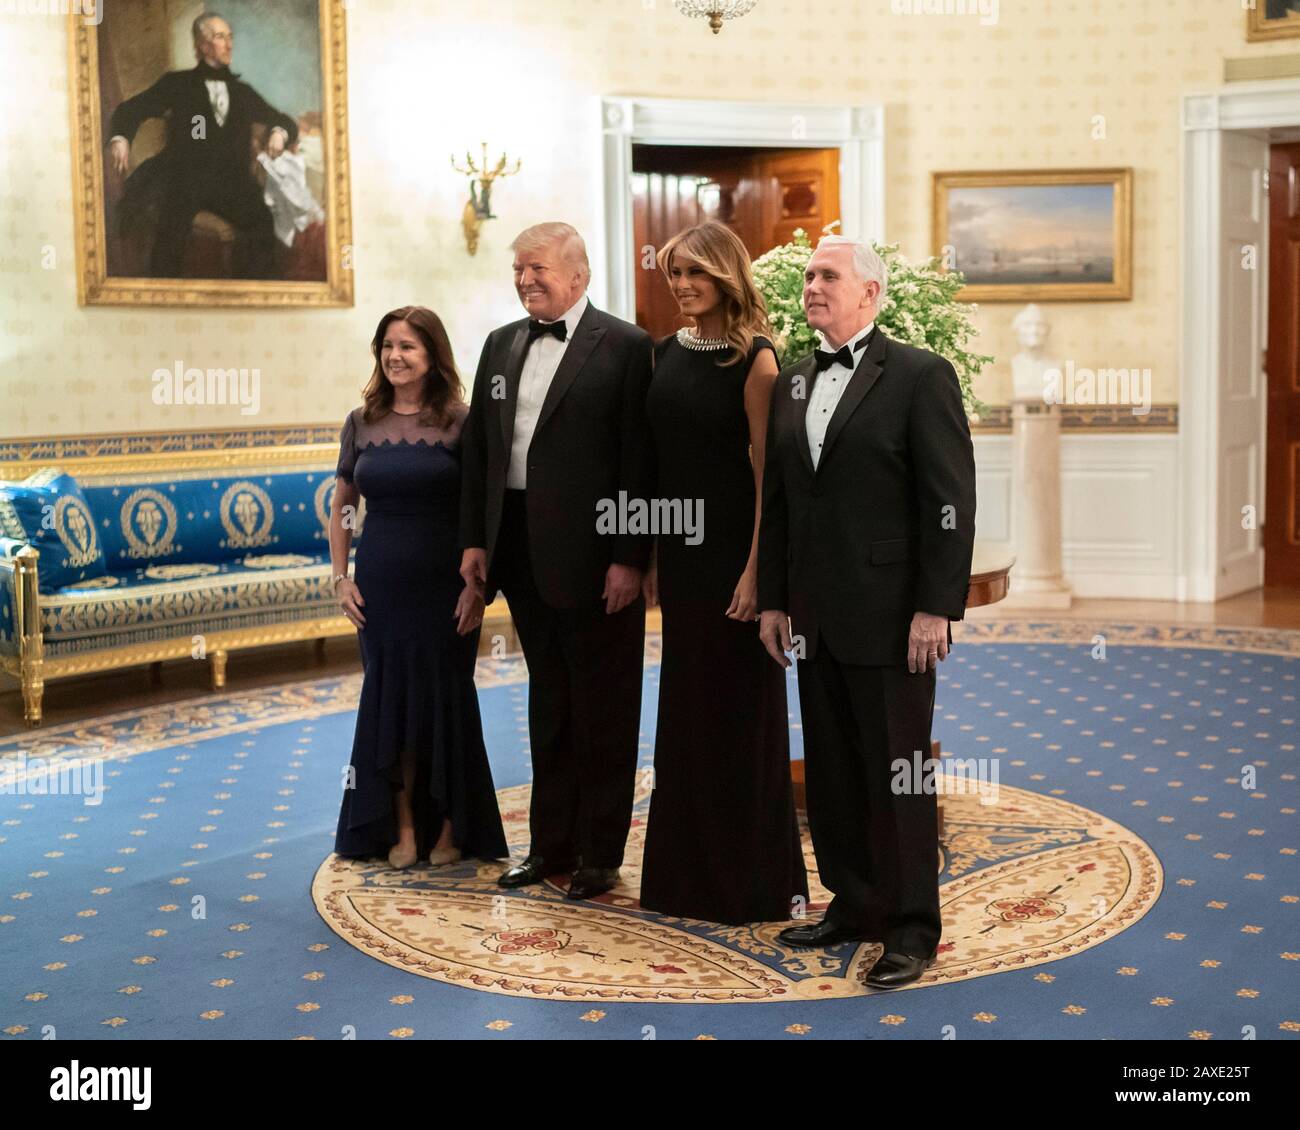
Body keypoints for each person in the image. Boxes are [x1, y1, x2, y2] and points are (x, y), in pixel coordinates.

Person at [757, 235, 976, 989]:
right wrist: (776, 601)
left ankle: (912, 926)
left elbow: (948, 500)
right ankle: (853, 902)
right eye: (810, 276)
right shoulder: (791, 382)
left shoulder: (920, 375)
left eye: (829, 276)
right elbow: (781, 501)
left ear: (871, 294)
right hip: (813, 616)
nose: (813, 286)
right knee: (834, 770)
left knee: (900, 774)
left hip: (892, 617)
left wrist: (935, 608)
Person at [459, 222, 654, 901]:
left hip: (598, 559)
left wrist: (631, 557)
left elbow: (640, 459)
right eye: (518, 269)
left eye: (537, 268)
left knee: (604, 708)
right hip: (519, 554)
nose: (524, 279)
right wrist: (476, 543)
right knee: (548, 705)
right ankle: (549, 846)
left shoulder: (627, 346)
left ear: (578, 274)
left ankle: (601, 854)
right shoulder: (499, 343)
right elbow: (481, 454)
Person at [638, 221, 807, 925]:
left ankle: (750, 883)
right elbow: (657, 464)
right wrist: (650, 555)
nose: (681, 287)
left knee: (740, 719)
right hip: (680, 560)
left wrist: (758, 574)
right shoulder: (663, 354)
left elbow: (770, 479)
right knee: (686, 714)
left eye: (695, 275)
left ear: (726, 277)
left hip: (734, 561)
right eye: (675, 274)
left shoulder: (757, 361)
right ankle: (683, 880)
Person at [331, 306, 508, 870]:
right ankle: (404, 827)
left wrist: (479, 588)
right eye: (387, 345)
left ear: (433, 354)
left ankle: (452, 828)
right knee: (392, 703)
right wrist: (339, 578)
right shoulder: (361, 422)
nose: (395, 356)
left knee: (447, 701)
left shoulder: (461, 420)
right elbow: (343, 507)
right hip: (380, 586)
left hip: (447, 584)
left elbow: (484, 508)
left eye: (407, 346)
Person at [106, 11, 297, 278]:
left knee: (262, 222)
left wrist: (278, 132)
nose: (229, 44)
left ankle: (250, 293)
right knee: (170, 231)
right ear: (202, 45)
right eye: (221, 37)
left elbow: (282, 120)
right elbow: (131, 110)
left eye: (230, 37)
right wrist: (121, 138)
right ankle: (163, 296)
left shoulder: (242, 92)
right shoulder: (178, 84)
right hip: (185, 177)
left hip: (231, 181)